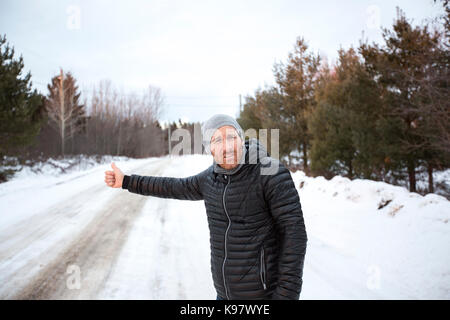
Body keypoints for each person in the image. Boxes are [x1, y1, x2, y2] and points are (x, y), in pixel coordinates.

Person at [104, 114, 308, 300]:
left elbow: (295, 234)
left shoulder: (269, 172)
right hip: (224, 295)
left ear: (240, 138)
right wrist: (126, 182)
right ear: (209, 148)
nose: (227, 146)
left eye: (231, 137)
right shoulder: (211, 179)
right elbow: (173, 187)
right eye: (217, 140)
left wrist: (286, 296)